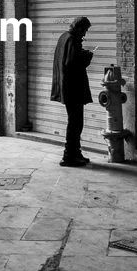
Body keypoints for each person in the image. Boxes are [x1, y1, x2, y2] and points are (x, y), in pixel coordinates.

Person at [50, 15, 94, 167]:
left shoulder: (64, 37)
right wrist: (87, 57)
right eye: (85, 31)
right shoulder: (72, 39)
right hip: (73, 89)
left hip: (67, 87)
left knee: (75, 122)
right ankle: (69, 156)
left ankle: (75, 152)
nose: (85, 34)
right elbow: (72, 63)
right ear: (79, 28)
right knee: (75, 123)